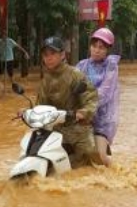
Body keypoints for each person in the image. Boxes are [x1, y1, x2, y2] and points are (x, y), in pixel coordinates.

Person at [35, 36, 101, 168]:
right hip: (55, 128)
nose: (49, 58)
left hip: (76, 127)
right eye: (45, 54)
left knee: (90, 155)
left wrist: (82, 113)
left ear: (62, 54)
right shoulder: (45, 81)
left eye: (53, 53)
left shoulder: (75, 75)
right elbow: (41, 106)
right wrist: (29, 112)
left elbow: (91, 98)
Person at [76, 28, 120, 167]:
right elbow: (70, 84)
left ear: (108, 50)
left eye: (101, 47)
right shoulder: (82, 65)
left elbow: (105, 92)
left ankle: (116, 171)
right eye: (94, 46)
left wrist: (87, 106)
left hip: (103, 119)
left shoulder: (111, 67)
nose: (96, 50)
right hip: (81, 116)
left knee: (99, 156)